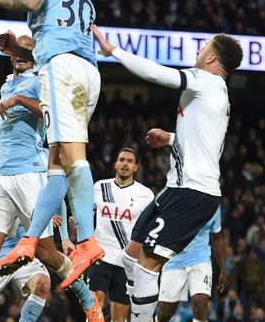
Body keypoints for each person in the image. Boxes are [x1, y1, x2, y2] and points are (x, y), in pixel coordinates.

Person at [0, 0, 103, 287]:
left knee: (70, 158)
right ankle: (29, 240)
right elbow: (64, 44)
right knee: (57, 162)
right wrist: (18, 52)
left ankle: (86, 242)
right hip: (88, 74)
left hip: (61, 72)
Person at [93, 25, 243, 322]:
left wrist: (114, 52)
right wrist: (171, 138)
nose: (198, 51)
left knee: (147, 266)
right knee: (130, 256)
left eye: (203, 47)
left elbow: (157, 74)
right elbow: (206, 144)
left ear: (212, 58)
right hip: (178, 189)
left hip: (192, 192)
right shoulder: (217, 93)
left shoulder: (205, 81)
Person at [0, 36, 102, 322]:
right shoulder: (5, 83)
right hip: (1, 174)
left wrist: (21, 99)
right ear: (12, 56)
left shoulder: (39, 79)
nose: (23, 53)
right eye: (19, 49)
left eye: (29, 49)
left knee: (47, 253)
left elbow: (52, 111)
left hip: (30, 173)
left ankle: (88, 298)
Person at [88, 148, 154, 322]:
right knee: (94, 306)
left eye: (129, 161)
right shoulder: (100, 187)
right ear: (116, 164)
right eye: (122, 160)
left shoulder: (146, 194)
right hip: (99, 256)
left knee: (119, 317)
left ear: (136, 167)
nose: (125, 164)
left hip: (126, 261)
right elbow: (87, 213)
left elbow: (149, 228)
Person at [156, 208, 226, 322]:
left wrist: (223, 270)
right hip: (174, 259)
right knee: (165, 313)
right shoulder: (177, 196)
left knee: (200, 303)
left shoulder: (214, 201)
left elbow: (217, 237)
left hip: (201, 259)